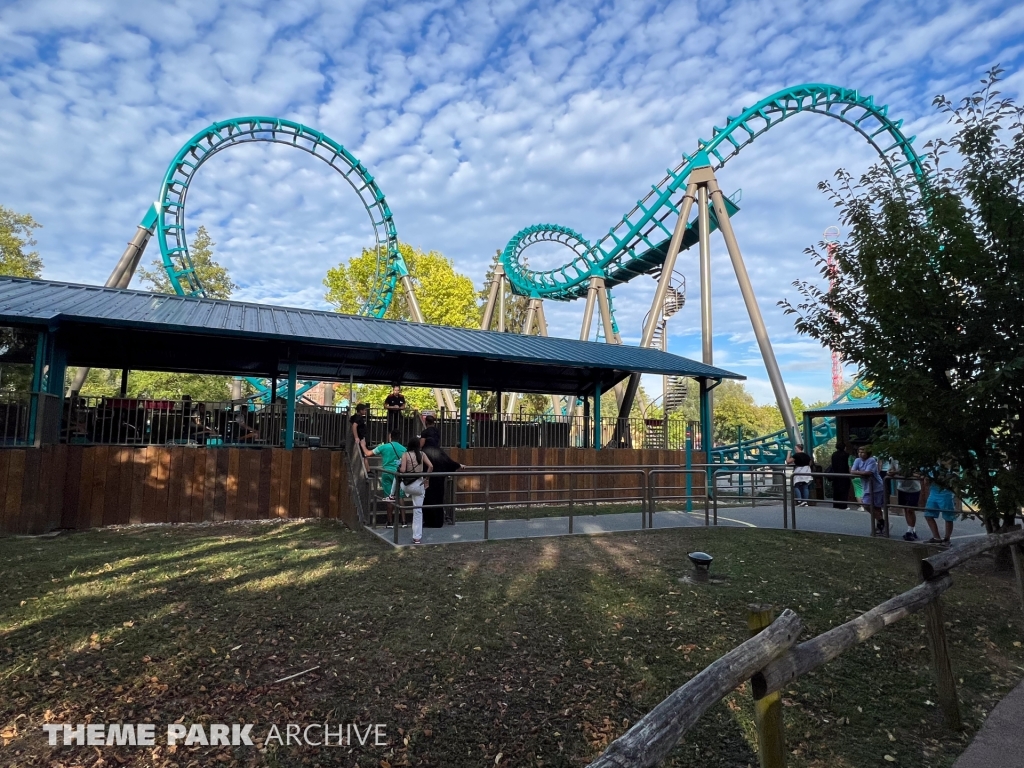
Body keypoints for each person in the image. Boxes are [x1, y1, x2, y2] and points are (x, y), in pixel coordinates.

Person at [418, 413, 466, 527]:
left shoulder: (424, 451)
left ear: (426, 422)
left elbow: (420, 445)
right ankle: (438, 521)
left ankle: (428, 521)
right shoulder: (440, 450)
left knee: (427, 497)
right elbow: (449, 462)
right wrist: (459, 465)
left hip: (428, 476)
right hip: (439, 477)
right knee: (439, 497)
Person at [364, 429, 406, 528]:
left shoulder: (384, 447)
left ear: (390, 436)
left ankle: (390, 522)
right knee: (400, 496)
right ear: (399, 437)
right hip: (398, 474)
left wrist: (362, 446)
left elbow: (368, 454)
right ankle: (404, 521)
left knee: (389, 497)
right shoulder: (404, 449)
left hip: (387, 473)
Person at [398, 436, 433, 545]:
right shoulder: (422, 454)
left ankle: (392, 495)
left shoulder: (405, 454)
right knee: (418, 511)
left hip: (407, 486)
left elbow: (403, 470)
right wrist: (427, 479)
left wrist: (399, 467)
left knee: (396, 478)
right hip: (419, 485)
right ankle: (417, 537)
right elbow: (431, 466)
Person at [851, 445, 885, 535]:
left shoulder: (871, 460)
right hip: (866, 487)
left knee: (877, 507)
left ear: (868, 453)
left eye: (863, 452)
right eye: (859, 452)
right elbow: (852, 471)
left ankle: (880, 527)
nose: (860, 454)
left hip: (877, 487)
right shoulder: (857, 460)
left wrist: (858, 472)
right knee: (866, 504)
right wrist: (861, 473)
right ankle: (882, 521)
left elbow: (868, 472)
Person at [922, 460, 958, 546]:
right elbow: (926, 483)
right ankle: (936, 537)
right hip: (933, 493)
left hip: (945, 494)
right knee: (928, 514)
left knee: (948, 517)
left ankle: (947, 539)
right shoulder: (926, 469)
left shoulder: (942, 469)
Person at [888, 459, 922, 541]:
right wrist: (892, 472)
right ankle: (911, 529)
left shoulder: (912, 458)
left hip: (914, 488)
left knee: (910, 509)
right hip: (901, 487)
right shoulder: (892, 459)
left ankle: (910, 530)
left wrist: (898, 472)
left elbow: (916, 473)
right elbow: (890, 471)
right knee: (906, 509)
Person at [829, 442, 852, 509]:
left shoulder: (834, 454)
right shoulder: (846, 455)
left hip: (836, 475)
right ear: (844, 447)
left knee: (836, 490)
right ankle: (843, 505)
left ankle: (836, 504)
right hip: (845, 475)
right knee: (844, 491)